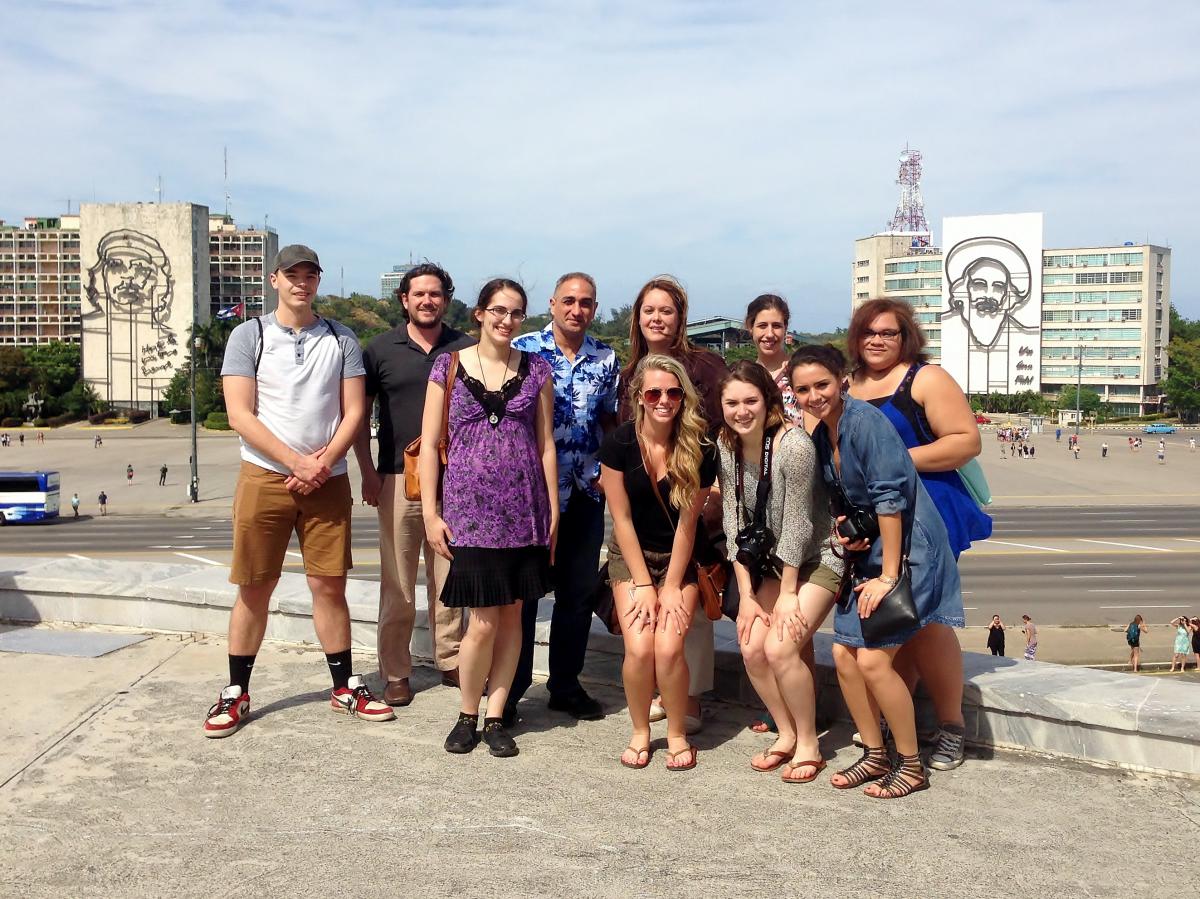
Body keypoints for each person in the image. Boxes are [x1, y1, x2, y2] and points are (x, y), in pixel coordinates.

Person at [204, 244, 393, 739]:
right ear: (275, 280)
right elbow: (239, 414)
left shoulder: (341, 337)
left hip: (326, 480)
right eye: (293, 275)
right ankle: (235, 691)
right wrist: (295, 463)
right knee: (254, 586)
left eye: (310, 275)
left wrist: (322, 463)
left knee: (329, 584)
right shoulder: (250, 336)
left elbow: (355, 412)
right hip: (266, 477)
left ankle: (344, 685)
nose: (301, 283)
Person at [790, 344, 963, 799]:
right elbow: (848, 501)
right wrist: (850, 536)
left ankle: (910, 764)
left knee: (871, 658)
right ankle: (875, 753)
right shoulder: (823, 433)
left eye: (822, 385)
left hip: (910, 550)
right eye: (803, 389)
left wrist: (888, 577)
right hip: (871, 551)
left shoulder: (865, 423)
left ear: (841, 380)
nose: (814, 395)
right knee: (845, 653)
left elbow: (891, 499)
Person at [846, 299, 989, 771]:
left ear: (905, 336)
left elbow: (966, 440)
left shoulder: (925, 379)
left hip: (930, 510)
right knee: (895, 621)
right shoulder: (850, 384)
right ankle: (896, 716)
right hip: (877, 515)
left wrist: (896, 459)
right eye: (869, 332)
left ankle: (951, 727)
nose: (878, 340)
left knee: (927, 620)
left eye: (888, 332)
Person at [420, 278, 557, 759]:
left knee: (515, 617)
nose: (506, 320)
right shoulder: (449, 366)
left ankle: (498, 714)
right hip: (469, 514)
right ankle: (467, 711)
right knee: (480, 621)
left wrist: (553, 507)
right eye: (498, 311)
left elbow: (544, 443)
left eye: (516, 313)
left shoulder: (537, 370)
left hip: (525, 511)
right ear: (479, 313)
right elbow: (429, 447)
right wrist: (432, 514)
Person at [354, 262, 475, 707]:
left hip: (453, 479)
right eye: (419, 294)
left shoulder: (466, 348)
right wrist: (366, 470)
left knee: (449, 578)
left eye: (436, 293)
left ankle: (451, 659)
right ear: (404, 299)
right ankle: (396, 670)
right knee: (398, 583)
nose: (428, 300)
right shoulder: (380, 349)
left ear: (447, 299)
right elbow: (359, 415)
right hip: (395, 476)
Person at [716, 361, 842, 782]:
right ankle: (785, 733)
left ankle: (810, 743)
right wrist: (747, 596)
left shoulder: (793, 446)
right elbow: (733, 521)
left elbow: (799, 523)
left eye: (750, 400)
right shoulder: (726, 443)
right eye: (731, 402)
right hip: (769, 561)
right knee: (752, 645)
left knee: (781, 648)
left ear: (768, 401)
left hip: (817, 557)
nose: (741, 411)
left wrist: (787, 592)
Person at [508, 272, 620, 723]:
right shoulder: (525, 351)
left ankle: (565, 685)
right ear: (552, 304)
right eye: (569, 301)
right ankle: (511, 690)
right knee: (525, 597)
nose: (577, 310)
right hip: (533, 496)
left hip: (584, 494)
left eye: (587, 303)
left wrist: (607, 475)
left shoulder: (605, 358)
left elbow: (610, 421)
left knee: (575, 596)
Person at [619, 276, 727, 732]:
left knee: (691, 602)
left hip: (696, 491)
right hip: (646, 500)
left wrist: (718, 492)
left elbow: (726, 428)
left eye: (666, 310)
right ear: (637, 318)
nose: (656, 319)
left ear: (680, 317)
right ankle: (662, 692)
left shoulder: (704, 365)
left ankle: (690, 698)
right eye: (649, 310)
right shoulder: (630, 372)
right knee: (653, 612)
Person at [599, 354, 717, 771]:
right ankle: (640, 731)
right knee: (639, 647)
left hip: (678, 556)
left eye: (672, 391)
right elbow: (622, 519)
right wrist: (645, 584)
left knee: (668, 649)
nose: (664, 399)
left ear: (683, 396)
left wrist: (669, 585)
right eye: (654, 392)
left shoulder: (700, 447)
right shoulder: (619, 444)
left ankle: (679, 733)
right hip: (631, 556)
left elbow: (688, 524)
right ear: (639, 398)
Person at [745, 294, 802, 426]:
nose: (770, 334)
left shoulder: (799, 373)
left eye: (776, 326)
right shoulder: (744, 377)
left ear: (785, 328)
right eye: (762, 326)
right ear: (750, 327)